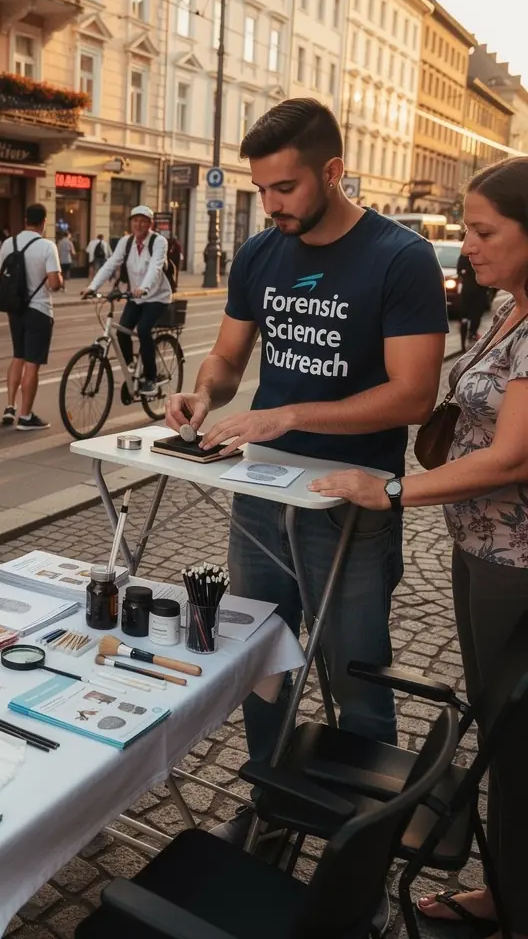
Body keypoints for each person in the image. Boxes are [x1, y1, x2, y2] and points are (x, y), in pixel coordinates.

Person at [165, 98, 448, 845]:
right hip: (260, 496)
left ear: (332, 170)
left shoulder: (401, 256)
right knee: (261, 659)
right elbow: (228, 360)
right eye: (261, 189)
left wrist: (288, 416)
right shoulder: (262, 253)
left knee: (357, 679)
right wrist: (204, 392)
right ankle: (274, 811)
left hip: (348, 506)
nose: (271, 205)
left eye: (284, 188)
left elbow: (415, 395)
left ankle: (364, 852)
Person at [310, 155, 528, 939]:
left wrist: (390, 489)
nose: (466, 244)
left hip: (517, 561)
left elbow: (511, 457)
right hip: (482, 549)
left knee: (517, 741)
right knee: (505, 740)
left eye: (482, 230)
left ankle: (515, 905)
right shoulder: (510, 306)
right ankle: (507, 893)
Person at [84, 205, 171, 396]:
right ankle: (132, 366)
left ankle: (150, 378)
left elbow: (155, 267)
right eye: (135, 220)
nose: (138, 224)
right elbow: (110, 264)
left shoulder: (158, 241)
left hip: (157, 297)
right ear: (131, 223)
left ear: (150, 224)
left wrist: (144, 288)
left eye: (143, 221)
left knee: (144, 330)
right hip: (135, 297)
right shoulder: (126, 241)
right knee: (122, 330)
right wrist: (92, 287)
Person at [0, 203, 62, 430]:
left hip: (15, 310)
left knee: (18, 356)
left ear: (25, 220)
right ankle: (25, 416)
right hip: (39, 310)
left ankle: (9, 406)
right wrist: (58, 281)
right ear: (44, 222)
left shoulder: (8, 243)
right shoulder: (46, 246)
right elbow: (54, 283)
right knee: (32, 364)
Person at [458, 249, 491, 351]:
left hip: (469, 288)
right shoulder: (484, 254)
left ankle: (466, 340)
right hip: (477, 289)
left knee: (467, 316)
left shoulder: (466, 254)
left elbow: (459, 269)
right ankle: (471, 334)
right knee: (475, 314)